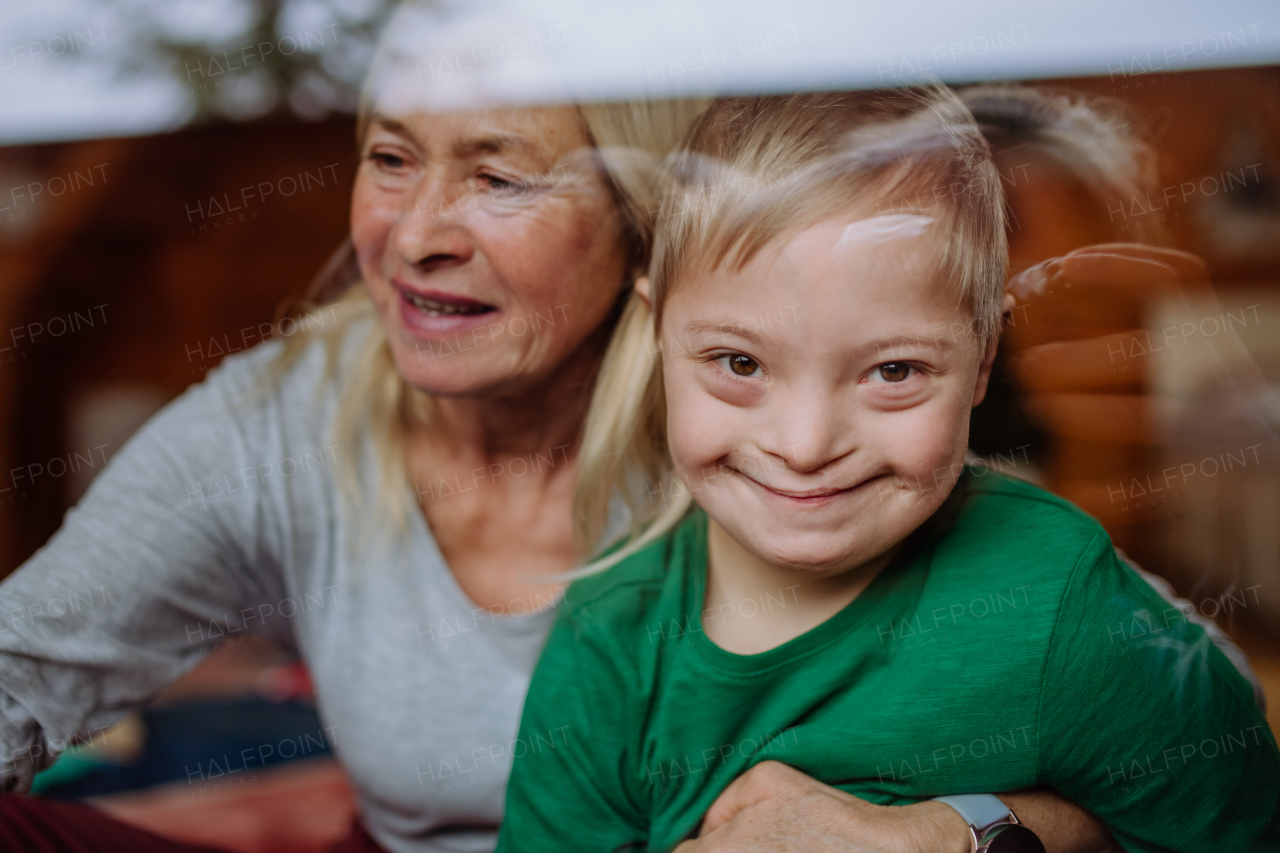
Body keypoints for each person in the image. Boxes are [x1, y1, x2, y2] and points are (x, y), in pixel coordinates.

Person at [0, 3, 1259, 848]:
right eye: (392, 158)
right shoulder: (304, 432)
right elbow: (25, 669)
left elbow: (1175, 749)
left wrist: (970, 825)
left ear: (635, 225)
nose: (418, 227)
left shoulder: (796, 428)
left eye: (499, 173)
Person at [495, 88, 1280, 853]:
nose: (805, 444)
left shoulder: (1058, 599)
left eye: (894, 371)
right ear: (658, 333)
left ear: (984, 360)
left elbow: (1237, 820)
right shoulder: (608, 632)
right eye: (739, 361)